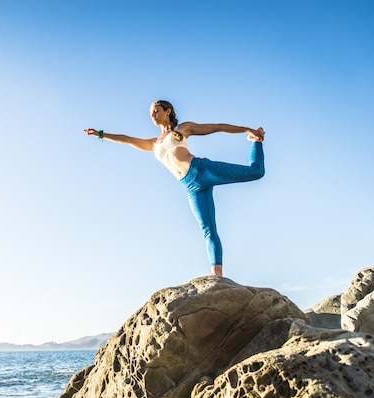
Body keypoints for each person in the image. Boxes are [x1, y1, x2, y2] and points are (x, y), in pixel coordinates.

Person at [84, 100, 265, 277]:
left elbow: (217, 127)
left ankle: (257, 141)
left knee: (256, 172)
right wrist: (101, 134)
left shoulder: (183, 129)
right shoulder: (154, 143)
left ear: (168, 111)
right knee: (208, 229)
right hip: (191, 186)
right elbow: (127, 139)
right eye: (151, 113)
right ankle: (217, 275)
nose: (153, 115)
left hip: (202, 169)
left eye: (156, 111)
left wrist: (248, 130)